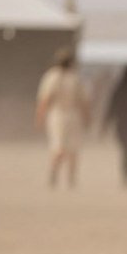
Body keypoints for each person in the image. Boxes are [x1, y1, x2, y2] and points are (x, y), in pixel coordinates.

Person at [36, 47, 90, 188]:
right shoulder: (74, 78)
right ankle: (69, 179)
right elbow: (83, 102)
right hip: (70, 115)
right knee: (71, 149)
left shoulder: (52, 76)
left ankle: (57, 175)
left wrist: (40, 116)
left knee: (60, 147)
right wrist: (86, 118)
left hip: (58, 115)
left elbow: (45, 99)